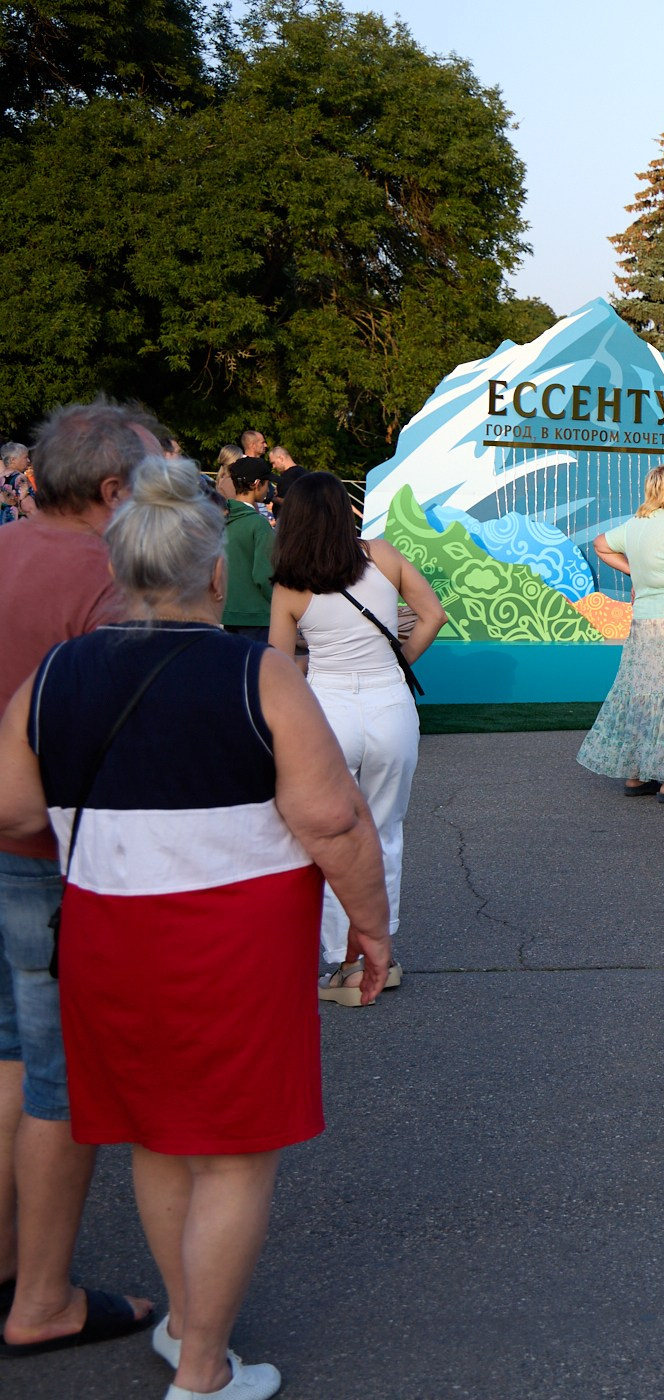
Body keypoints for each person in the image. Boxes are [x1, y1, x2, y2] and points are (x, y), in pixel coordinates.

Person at [0, 452, 391, 1395]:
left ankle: (185, 1323)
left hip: (103, 933)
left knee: (155, 1135)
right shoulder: (254, 676)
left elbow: (12, 810)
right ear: (215, 572)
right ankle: (204, 1369)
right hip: (234, 940)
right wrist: (371, 927)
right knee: (231, 1154)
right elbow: (333, 819)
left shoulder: (57, 676)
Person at [0, 403, 159, 1359]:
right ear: (112, 492)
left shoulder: (5, 550)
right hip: (55, 865)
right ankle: (44, 1299)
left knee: (9, 1058)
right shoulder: (107, 584)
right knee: (63, 1084)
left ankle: (10, 1263)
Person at [266, 471, 445, 1006]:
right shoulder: (383, 556)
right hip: (392, 708)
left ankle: (341, 964)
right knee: (385, 830)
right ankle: (380, 955)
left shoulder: (291, 583)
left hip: (328, 711)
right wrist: (398, 663)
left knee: (330, 837)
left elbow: (278, 667)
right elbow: (432, 615)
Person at [577, 462, 664, 803]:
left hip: (643, 625)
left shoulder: (636, 525)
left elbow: (601, 545)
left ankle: (637, 774)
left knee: (642, 694)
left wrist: (637, 574)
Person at [214, 456, 275, 640]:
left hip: (226, 612)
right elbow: (264, 575)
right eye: (267, 483)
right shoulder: (259, 524)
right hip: (258, 616)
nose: (269, 489)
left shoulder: (219, 519)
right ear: (257, 484)